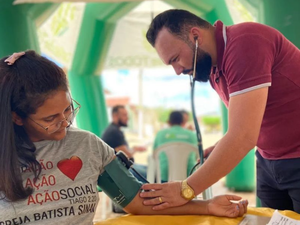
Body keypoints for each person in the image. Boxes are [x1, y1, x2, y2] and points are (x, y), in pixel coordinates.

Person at [0, 50, 248, 224]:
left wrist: (207, 205)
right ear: (16, 117)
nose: (65, 123)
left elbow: (137, 202)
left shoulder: (87, 145)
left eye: (68, 109)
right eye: (49, 119)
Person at [140, 9, 300, 213]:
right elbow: (251, 120)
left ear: (195, 36)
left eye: (175, 59)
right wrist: (219, 147)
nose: (178, 71)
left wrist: (185, 190)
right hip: (268, 161)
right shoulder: (214, 66)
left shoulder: (245, 43)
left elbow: (242, 137)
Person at [101, 105, 147, 179]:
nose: (127, 118)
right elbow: (127, 156)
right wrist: (135, 149)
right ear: (115, 116)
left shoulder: (113, 130)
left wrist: (135, 148)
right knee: (152, 173)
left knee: (149, 169)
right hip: (121, 172)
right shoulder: (114, 132)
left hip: (122, 169)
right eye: (124, 115)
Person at [153, 110, 197, 182]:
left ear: (168, 122)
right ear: (183, 122)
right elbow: (196, 156)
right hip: (189, 178)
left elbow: (154, 155)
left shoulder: (160, 134)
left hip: (164, 177)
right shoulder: (192, 135)